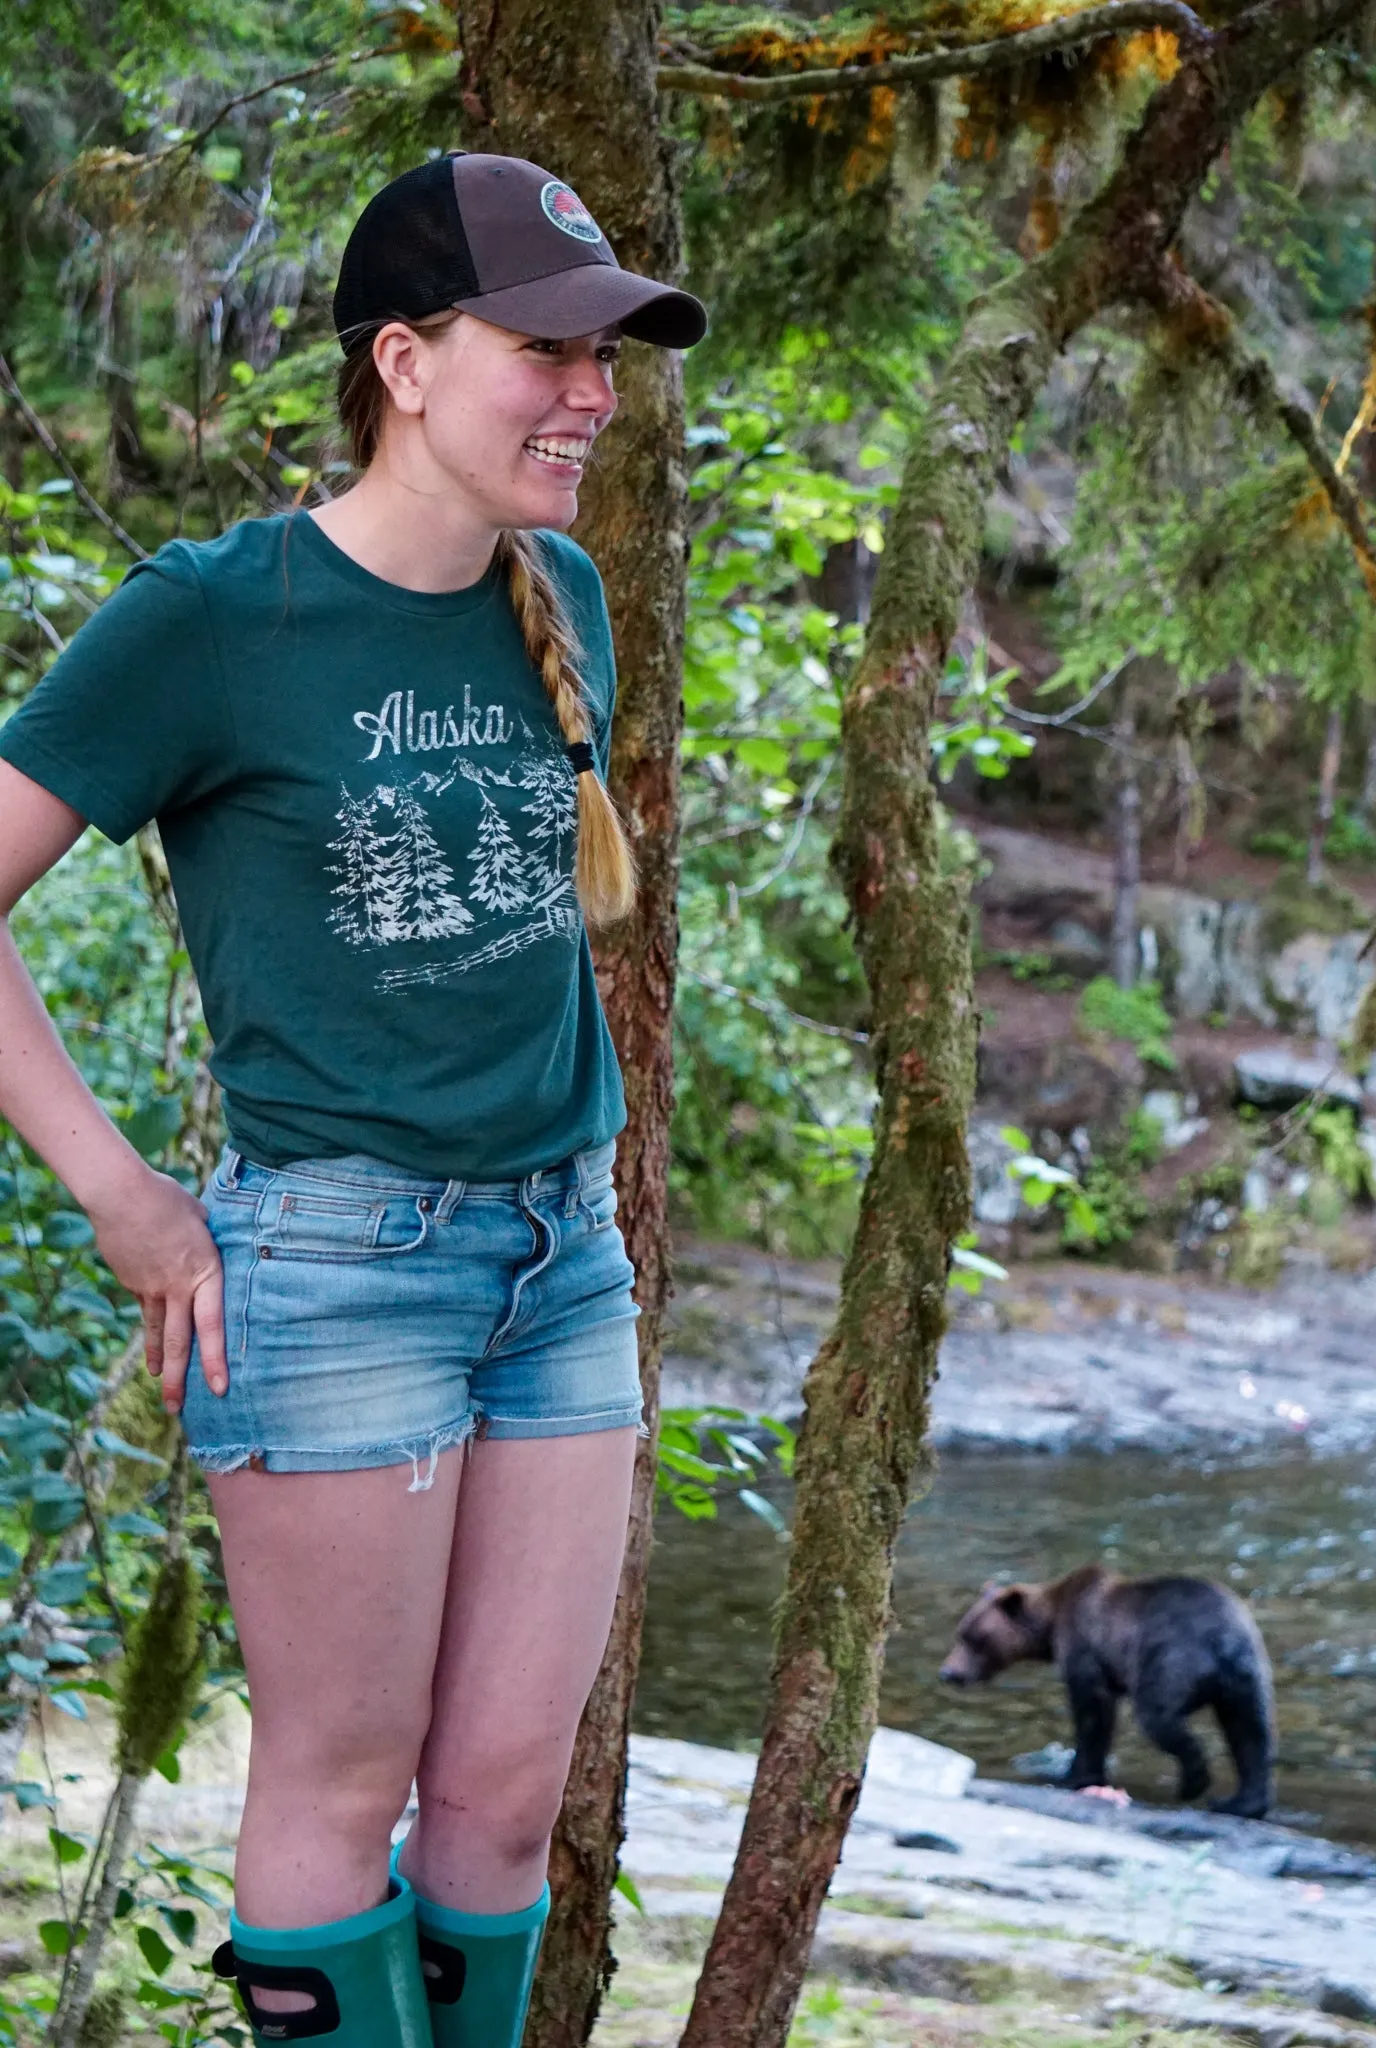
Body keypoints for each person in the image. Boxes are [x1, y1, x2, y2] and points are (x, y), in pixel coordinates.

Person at [0, 153, 706, 2046]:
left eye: (607, 355)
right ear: (403, 359)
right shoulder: (221, 618)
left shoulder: (560, 594)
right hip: (328, 1271)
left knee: (498, 1799)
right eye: (546, 346)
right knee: (335, 1783)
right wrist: (120, 1193)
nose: (592, 392)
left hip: (563, 1264)